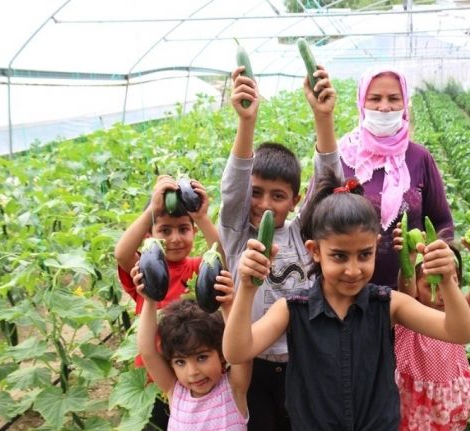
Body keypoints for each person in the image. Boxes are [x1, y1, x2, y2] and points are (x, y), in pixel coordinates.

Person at [222, 170, 470, 431]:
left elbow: (461, 331)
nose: (353, 270)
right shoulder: (291, 309)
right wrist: (248, 289)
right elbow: (236, 351)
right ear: (315, 251)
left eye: (365, 255)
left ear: (376, 246)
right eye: (340, 256)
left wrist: (446, 280)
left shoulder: (389, 304)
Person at [218, 63, 341, 430]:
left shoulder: (304, 232)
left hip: (303, 361)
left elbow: (329, 181)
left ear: (295, 199)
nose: (264, 204)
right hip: (251, 363)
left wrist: (324, 117)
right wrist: (246, 123)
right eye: (256, 193)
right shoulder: (237, 233)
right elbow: (234, 184)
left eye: (278, 195)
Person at [114, 175, 222, 429]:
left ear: (193, 231)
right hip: (157, 378)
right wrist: (153, 209)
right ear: (148, 235)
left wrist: (201, 217)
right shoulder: (145, 269)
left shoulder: (199, 267)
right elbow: (121, 253)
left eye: (183, 229)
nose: (174, 239)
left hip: (197, 374)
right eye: (164, 230)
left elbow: (222, 256)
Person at [338, 66, 454, 289]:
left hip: (410, 292)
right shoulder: (342, 157)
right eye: (374, 99)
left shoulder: (420, 158)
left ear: (405, 104)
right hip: (348, 288)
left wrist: (433, 254)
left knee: (404, 324)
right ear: (362, 102)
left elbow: (443, 222)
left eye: (393, 98)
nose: (384, 107)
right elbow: (313, 219)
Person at [393, 214, 470, 430]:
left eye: (450, 282)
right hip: (408, 409)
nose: (441, 295)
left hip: (447, 413)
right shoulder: (411, 317)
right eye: (431, 285)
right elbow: (405, 289)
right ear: (417, 290)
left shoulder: (458, 321)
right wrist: (409, 261)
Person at [133, 268, 251, 431]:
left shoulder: (234, 389)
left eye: (202, 357)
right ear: (171, 364)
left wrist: (228, 305)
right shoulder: (175, 391)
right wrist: (149, 300)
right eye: (180, 362)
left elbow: (239, 346)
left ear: (222, 354)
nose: (192, 372)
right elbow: (147, 351)